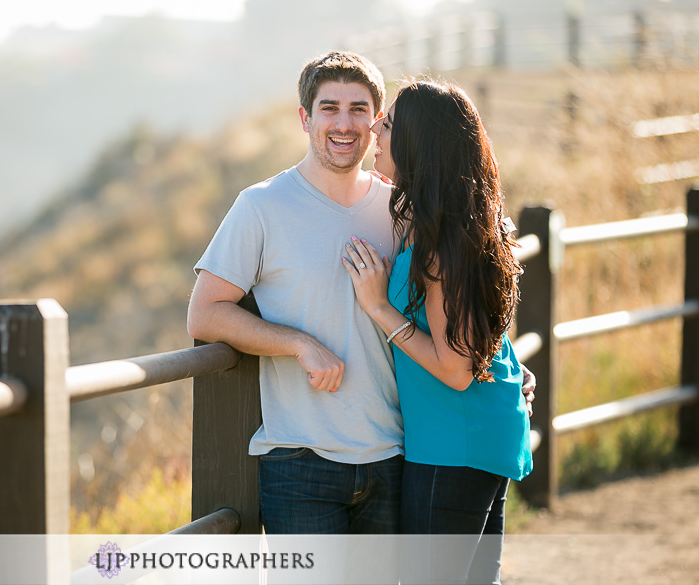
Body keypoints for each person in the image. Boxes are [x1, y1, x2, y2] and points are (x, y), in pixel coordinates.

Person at [187, 52, 535, 539]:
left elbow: (457, 302)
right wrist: (299, 344)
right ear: (305, 118)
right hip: (300, 460)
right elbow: (205, 315)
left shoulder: (405, 208)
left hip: (397, 455)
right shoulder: (261, 206)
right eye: (329, 108)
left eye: (360, 110)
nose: (344, 124)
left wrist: (505, 370)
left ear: (376, 123)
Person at [342, 77, 533, 583]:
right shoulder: (455, 223)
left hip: (453, 445)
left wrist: (379, 308)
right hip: (477, 435)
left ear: (418, 145)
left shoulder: (444, 243)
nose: (375, 128)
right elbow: (472, 331)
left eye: (389, 123)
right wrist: (516, 368)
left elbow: (456, 369)